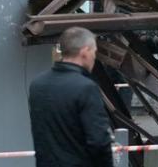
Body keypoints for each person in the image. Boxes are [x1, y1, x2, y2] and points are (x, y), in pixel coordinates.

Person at [28, 27, 113, 167]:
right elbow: (99, 141)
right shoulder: (86, 88)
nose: (94, 57)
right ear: (85, 52)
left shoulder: (37, 85)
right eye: (94, 51)